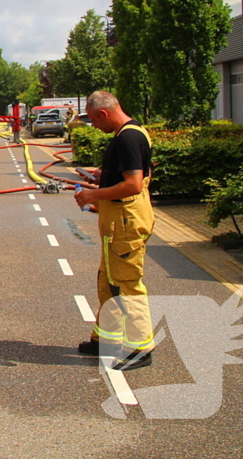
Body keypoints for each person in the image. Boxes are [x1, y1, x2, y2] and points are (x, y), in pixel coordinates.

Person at [73, 90, 155, 371]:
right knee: (108, 282)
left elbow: (133, 184)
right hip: (120, 223)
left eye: (95, 121)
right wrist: (103, 177)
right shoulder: (134, 133)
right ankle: (104, 340)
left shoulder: (127, 139)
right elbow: (135, 177)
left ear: (104, 114)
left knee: (126, 286)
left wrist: (94, 196)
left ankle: (140, 348)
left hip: (125, 225)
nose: (95, 126)